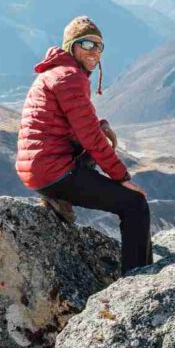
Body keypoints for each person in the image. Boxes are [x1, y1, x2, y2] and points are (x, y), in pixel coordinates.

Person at [15, 16, 153, 274]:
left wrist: (99, 125)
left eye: (99, 46)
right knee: (134, 205)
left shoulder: (56, 72)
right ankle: (138, 278)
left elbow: (79, 125)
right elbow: (89, 136)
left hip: (41, 168)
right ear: (71, 46)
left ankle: (56, 198)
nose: (94, 52)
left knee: (98, 134)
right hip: (54, 171)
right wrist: (121, 177)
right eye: (86, 44)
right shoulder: (70, 77)